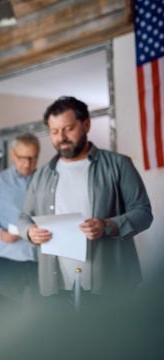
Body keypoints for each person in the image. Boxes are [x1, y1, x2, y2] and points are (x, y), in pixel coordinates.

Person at [19, 96, 152, 306]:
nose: (61, 137)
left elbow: (143, 213)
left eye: (68, 128)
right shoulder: (42, 174)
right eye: (54, 132)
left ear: (86, 124)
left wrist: (108, 225)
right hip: (56, 285)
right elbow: (24, 217)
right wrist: (29, 231)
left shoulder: (119, 164)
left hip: (111, 284)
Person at [0, 133, 40, 302]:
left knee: (46, 313)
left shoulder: (45, 180)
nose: (27, 164)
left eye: (33, 158)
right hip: (10, 259)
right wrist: (0, 234)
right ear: (12, 155)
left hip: (43, 259)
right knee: (7, 312)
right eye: (22, 158)